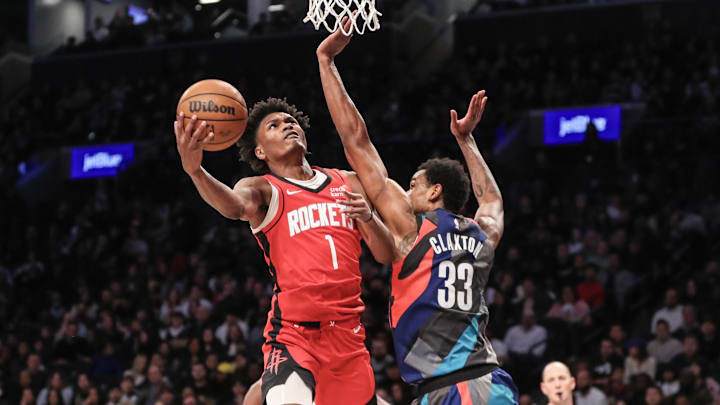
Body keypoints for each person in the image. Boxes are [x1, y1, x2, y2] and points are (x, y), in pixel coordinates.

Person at [174, 38, 395, 405]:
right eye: (274, 126)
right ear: (259, 151)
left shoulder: (347, 181)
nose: (287, 125)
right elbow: (232, 206)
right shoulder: (263, 188)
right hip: (294, 335)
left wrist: (368, 217)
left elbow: (386, 254)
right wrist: (196, 170)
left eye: (291, 121)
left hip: (349, 338)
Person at [316, 17, 518, 404]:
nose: (406, 193)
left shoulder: (413, 228)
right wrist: (467, 141)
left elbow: (356, 142)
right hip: (490, 383)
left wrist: (326, 62)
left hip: (451, 387)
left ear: (434, 192)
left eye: (412, 186)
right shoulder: (482, 234)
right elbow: (491, 200)